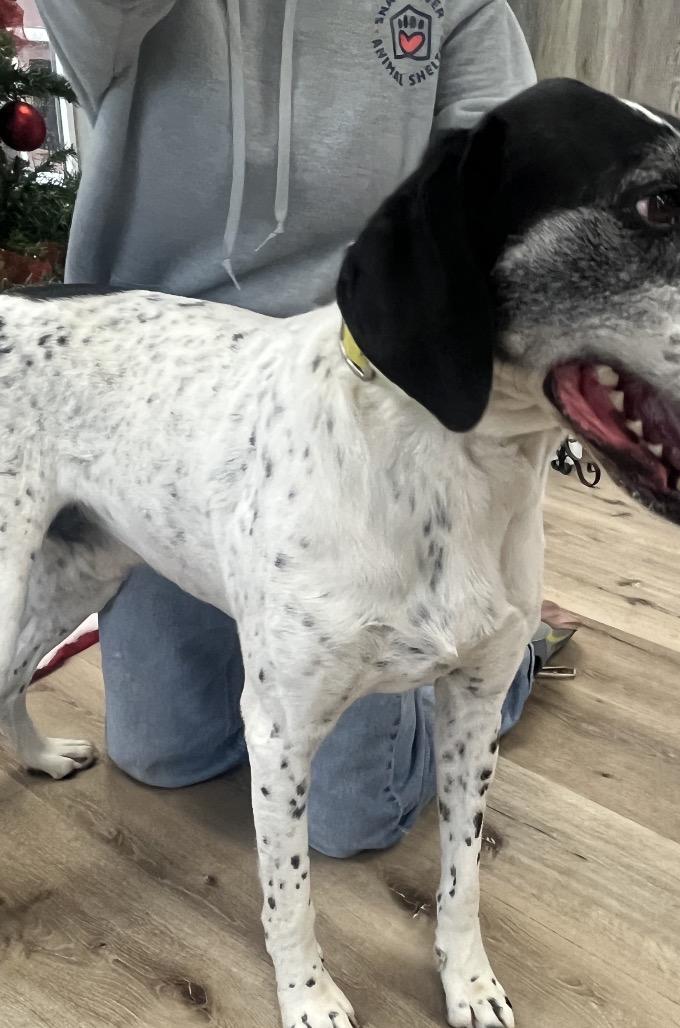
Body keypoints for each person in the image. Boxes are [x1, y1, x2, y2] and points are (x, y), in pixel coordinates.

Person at [38, 0, 572, 857]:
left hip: (353, 384)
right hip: (160, 391)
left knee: (353, 819)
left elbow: (498, 183)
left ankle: (504, 661)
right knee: (164, 757)